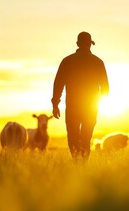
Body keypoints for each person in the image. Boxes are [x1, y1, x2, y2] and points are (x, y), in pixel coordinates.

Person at [51, 31, 109, 159]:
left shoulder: (67, 61)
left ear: (77, 43)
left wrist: (55, 104)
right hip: (91, 108)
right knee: (85, 139)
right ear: (90, 44)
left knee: (73, 138)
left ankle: (77, 163)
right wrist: (100, 105)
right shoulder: (98, 62)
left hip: (73, 107)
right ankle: (82, 165)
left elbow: (58, 84)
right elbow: (105, 88)